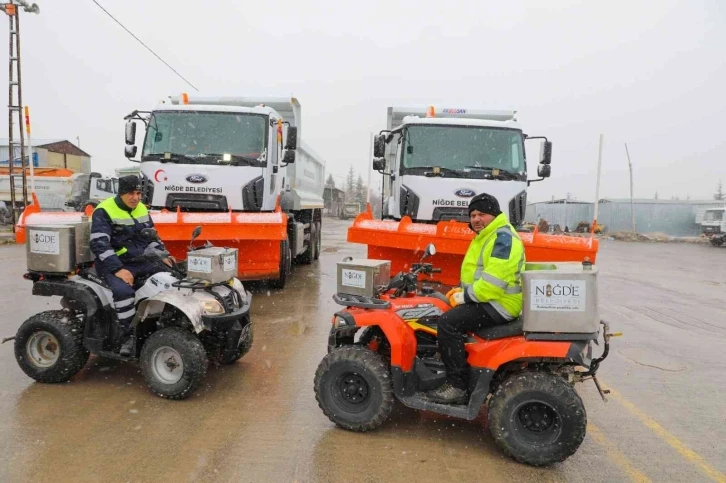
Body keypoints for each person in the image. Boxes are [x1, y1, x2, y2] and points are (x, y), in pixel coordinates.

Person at [426, 193, 525, 404]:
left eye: (482, 214)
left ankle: (457, 386)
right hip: (489, 299)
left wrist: (464, 297)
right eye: (472, 215)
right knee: (441, 307)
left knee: (447, 323)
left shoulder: (502, 238)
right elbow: (479, 275)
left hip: (500, 304)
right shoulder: (488, 236)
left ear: (494, 215)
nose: (476, 219)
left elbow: (492, 283)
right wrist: (460, 292)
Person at [89, 175, 172, 356]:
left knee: (172, 278)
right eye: (130, 193)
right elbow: (99, 245)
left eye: (138, 193)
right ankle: (127, 336)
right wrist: (118, 269)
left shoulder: (141, 208)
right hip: (112, 264)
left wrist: (163, 255)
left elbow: (151, 236)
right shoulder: (103, 211)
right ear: (121, 193)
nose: (135, 197)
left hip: (140, 260)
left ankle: (163, 323)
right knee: (124, 291)